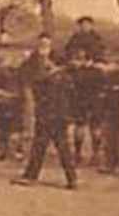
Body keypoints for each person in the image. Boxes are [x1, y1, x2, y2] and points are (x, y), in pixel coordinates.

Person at [13, 40, 78, 189]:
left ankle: (30, 176)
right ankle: (71, 178)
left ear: (52, 62)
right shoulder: (67, 78)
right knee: (63, 148)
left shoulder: (47, 79)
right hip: (62, 117)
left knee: (39, 146)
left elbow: (37, 91)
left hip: (47, 116)